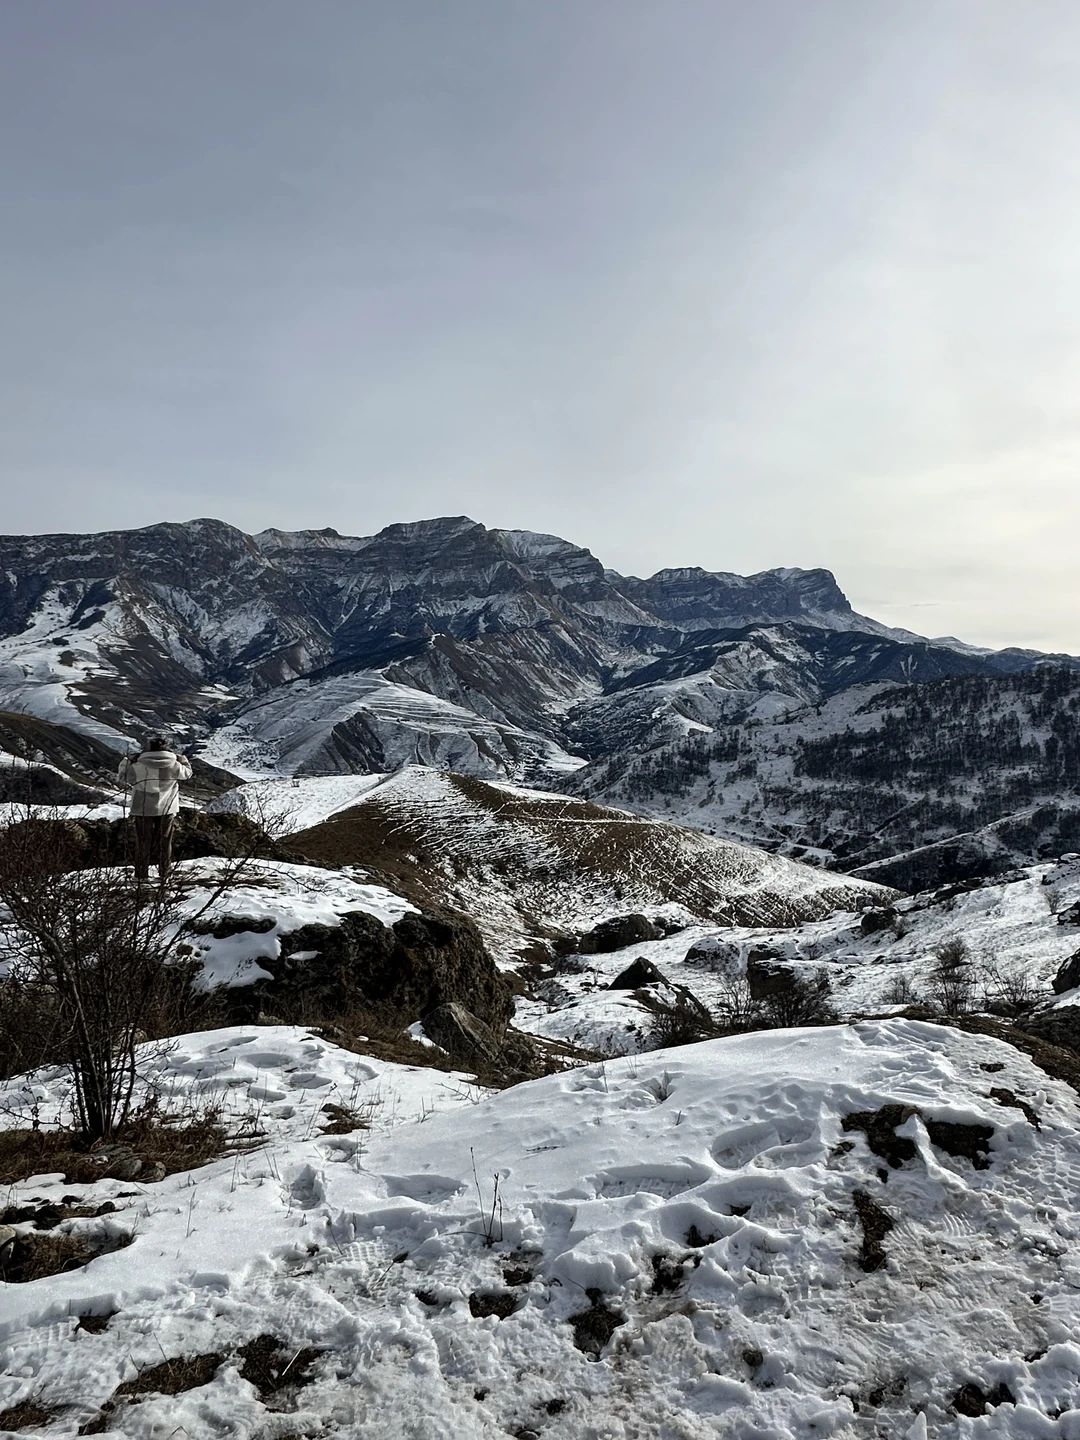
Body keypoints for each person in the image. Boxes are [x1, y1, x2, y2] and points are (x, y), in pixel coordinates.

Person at [117, 735, 193, 881]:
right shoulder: (174, 765)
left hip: (142, 807)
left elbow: (123, 777)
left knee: (143, 841)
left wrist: (127, 760)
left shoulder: (139, 765)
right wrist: (182, 759)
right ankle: (164, 873)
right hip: (167, 807)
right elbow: (187, 774)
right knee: (165, 841)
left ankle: (141, 875)